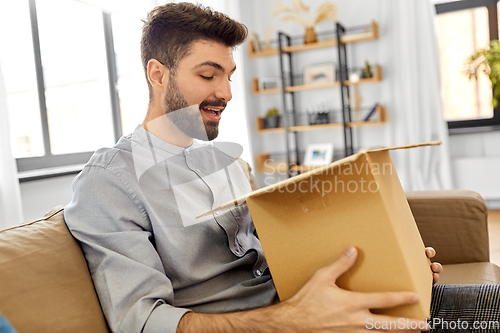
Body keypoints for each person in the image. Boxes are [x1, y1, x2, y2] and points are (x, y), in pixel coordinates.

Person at [64, 3, 443, 333]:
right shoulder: (110, 183)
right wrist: (290, 321)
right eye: (208, 75)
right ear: (158, 74)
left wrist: (388, 257)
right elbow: (142, 322)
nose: (227, 92)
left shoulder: (227, 161)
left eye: (229, 76)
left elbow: (279, 249)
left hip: (312, 311)